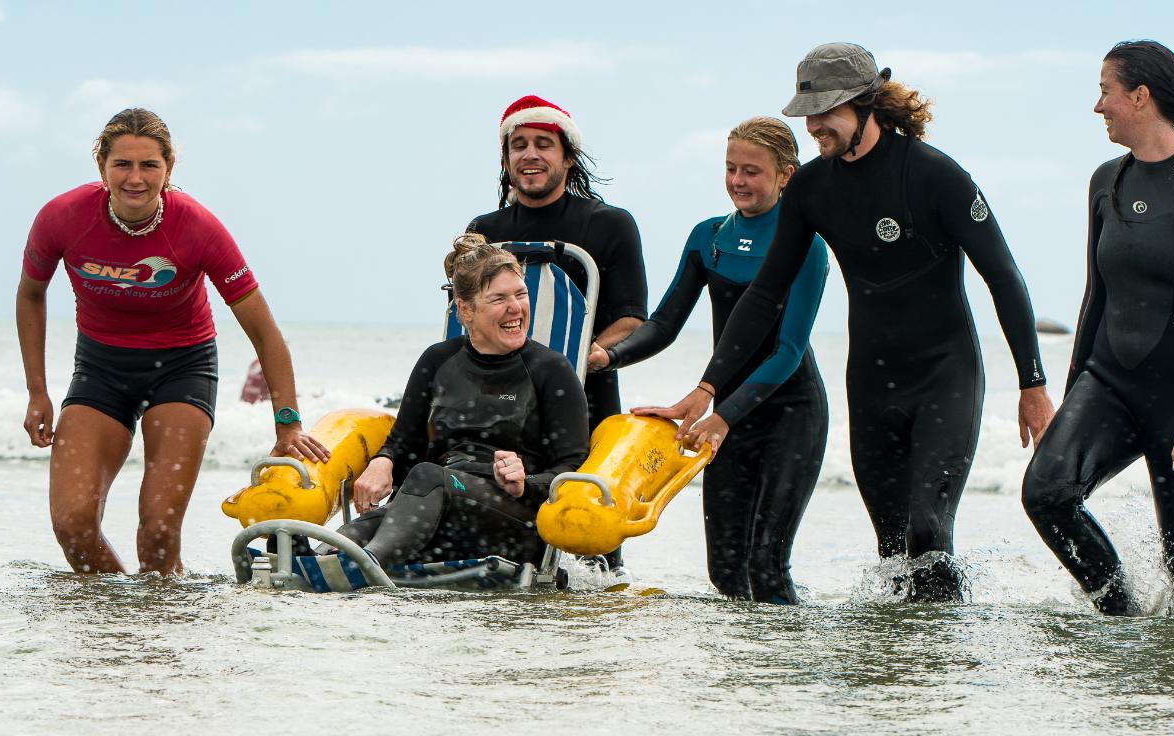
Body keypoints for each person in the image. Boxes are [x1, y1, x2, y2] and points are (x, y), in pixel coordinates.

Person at [645, 43, 1055, 602]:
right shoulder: (812, 188)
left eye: (826, 110)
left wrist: (1033, 384)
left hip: (945, 375)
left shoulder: (935, 176)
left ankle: (941, 667)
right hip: (870, 380)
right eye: (808, 112)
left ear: (867, 104)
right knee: (889, 546)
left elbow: (1003, 277)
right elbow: (765, 295)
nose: (814, 124)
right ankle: (893, 670)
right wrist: (708, 387)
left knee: (928, 530)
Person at [15, 107, 328, 576]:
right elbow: (30, 295)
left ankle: (162, 633)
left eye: (149, 165)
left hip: (182, 369)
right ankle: (113, 624)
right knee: (72, 523)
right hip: (101, 369)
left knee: (159, 532)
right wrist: (37, 390)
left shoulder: (197, 227)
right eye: (122, 164)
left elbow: (264, 331)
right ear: (101, 165)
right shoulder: (62, 217)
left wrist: (288, 422)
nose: (135, 178)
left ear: (169, 169)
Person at [1022, 40, 1174, 616]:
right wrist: (1076, 388)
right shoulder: (1105, 181)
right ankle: (1119, 616)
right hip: (1110, 384)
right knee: (1047, 495)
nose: (1097, 106)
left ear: (1140, 96)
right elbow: (1094, 297)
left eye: (1106, 91)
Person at [590, 118, 829, 604]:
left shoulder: (806, 246)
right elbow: (664, 324)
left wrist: (721, 413)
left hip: (789, 411)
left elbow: (788, 352)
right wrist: (606, 356)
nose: (738, 181)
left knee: (766, 565)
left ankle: (783, 668)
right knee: (724, 570)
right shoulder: (708, 237)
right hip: (725, 416)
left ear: (786, 175)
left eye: (752, 171)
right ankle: (741, 670)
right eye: (730, 168)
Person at [329, 234, 590, 569]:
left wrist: (525, 484)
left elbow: (573, 468)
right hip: (437, 509)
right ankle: (321, 556)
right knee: (404, 500)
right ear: (465, 309)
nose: (516, 308)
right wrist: (384, 460)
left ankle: (367, 565)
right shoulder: (437, 361)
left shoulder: (551, 369)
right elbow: (404, 443)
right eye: (499, 299)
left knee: (428, 477)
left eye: (521, 294)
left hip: (514, 520)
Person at [467, 94, 649, 433]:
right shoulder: (484, 231)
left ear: (568, 157)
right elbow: (467, 314)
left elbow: (633, 319)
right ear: (506, 161)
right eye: (518, 145)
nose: (530, 154)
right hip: (497, 402)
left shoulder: (610, 224)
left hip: (585, 401)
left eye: (544, 144)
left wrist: (587, 356)